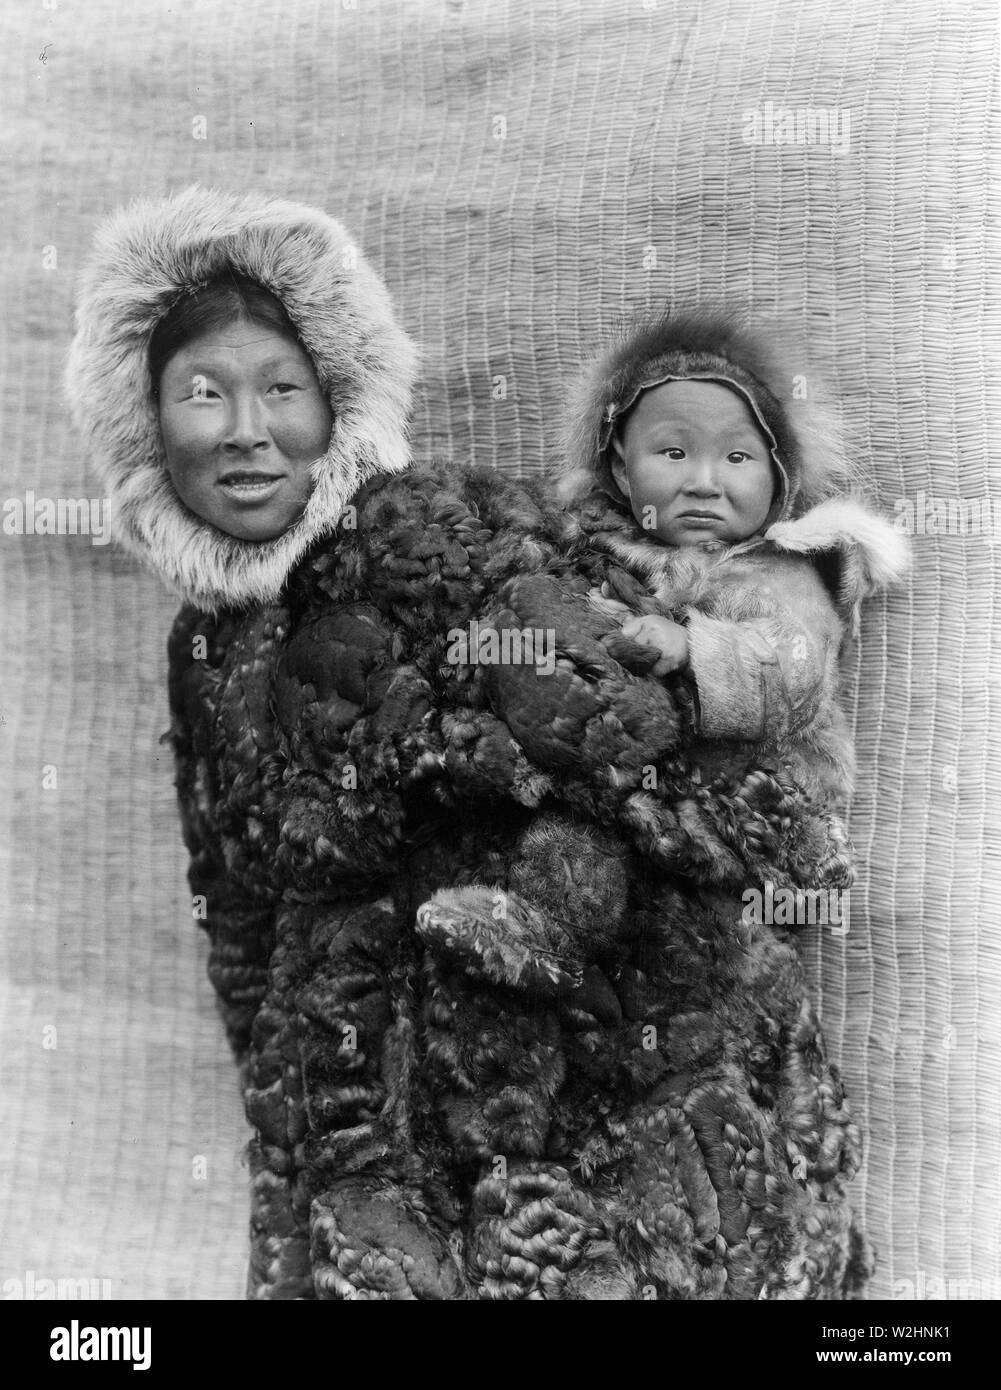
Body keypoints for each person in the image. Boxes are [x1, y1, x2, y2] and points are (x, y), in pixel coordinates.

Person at [68, 186, 905, 1298]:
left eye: (282, 388)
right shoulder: (203, 648)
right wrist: (284, 1103)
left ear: (339, 398)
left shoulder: (430, 531)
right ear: (145, 420)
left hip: (568, 1057)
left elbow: (643, 740)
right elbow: (235, 899)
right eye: (201, 394)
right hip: (342, 1095)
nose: (245, 432)